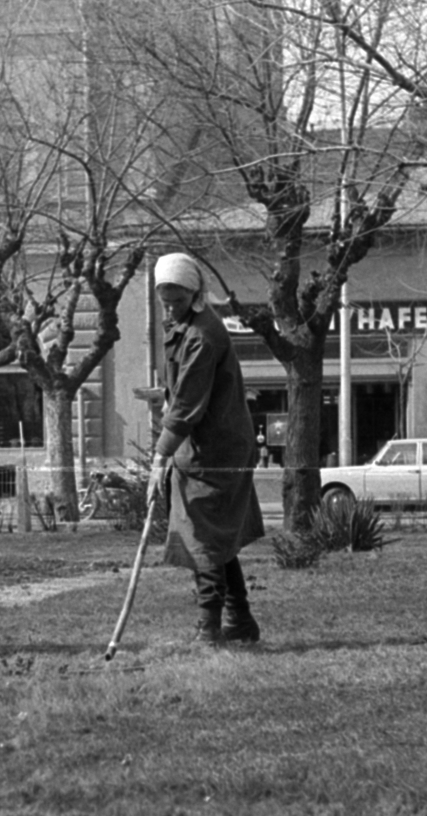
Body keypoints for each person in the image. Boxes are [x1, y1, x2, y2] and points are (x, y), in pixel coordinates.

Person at [147, 252, 266, 645]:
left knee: (204, 537)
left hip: (216, 451)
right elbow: (181, 393)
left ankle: (208, 626)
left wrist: (161, 455)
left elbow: (187, 404)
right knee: (217, 537)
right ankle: (241, 620)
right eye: (164, 301)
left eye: (177, 301)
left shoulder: (202, 334)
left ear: (195, 295)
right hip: (205, 445)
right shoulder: (183, 326)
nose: (170, 308)